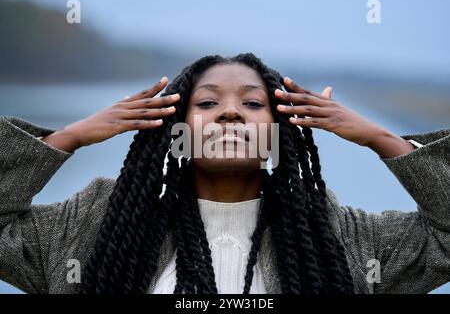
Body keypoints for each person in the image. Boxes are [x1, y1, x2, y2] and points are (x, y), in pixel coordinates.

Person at [0, 53, 449, 294]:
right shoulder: (96, 222)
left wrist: (382, 140)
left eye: (253, 104)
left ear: (279, 134)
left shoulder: (336, 234)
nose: (231, 113)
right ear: (174, 131)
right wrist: (68, 137)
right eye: (208, 103)